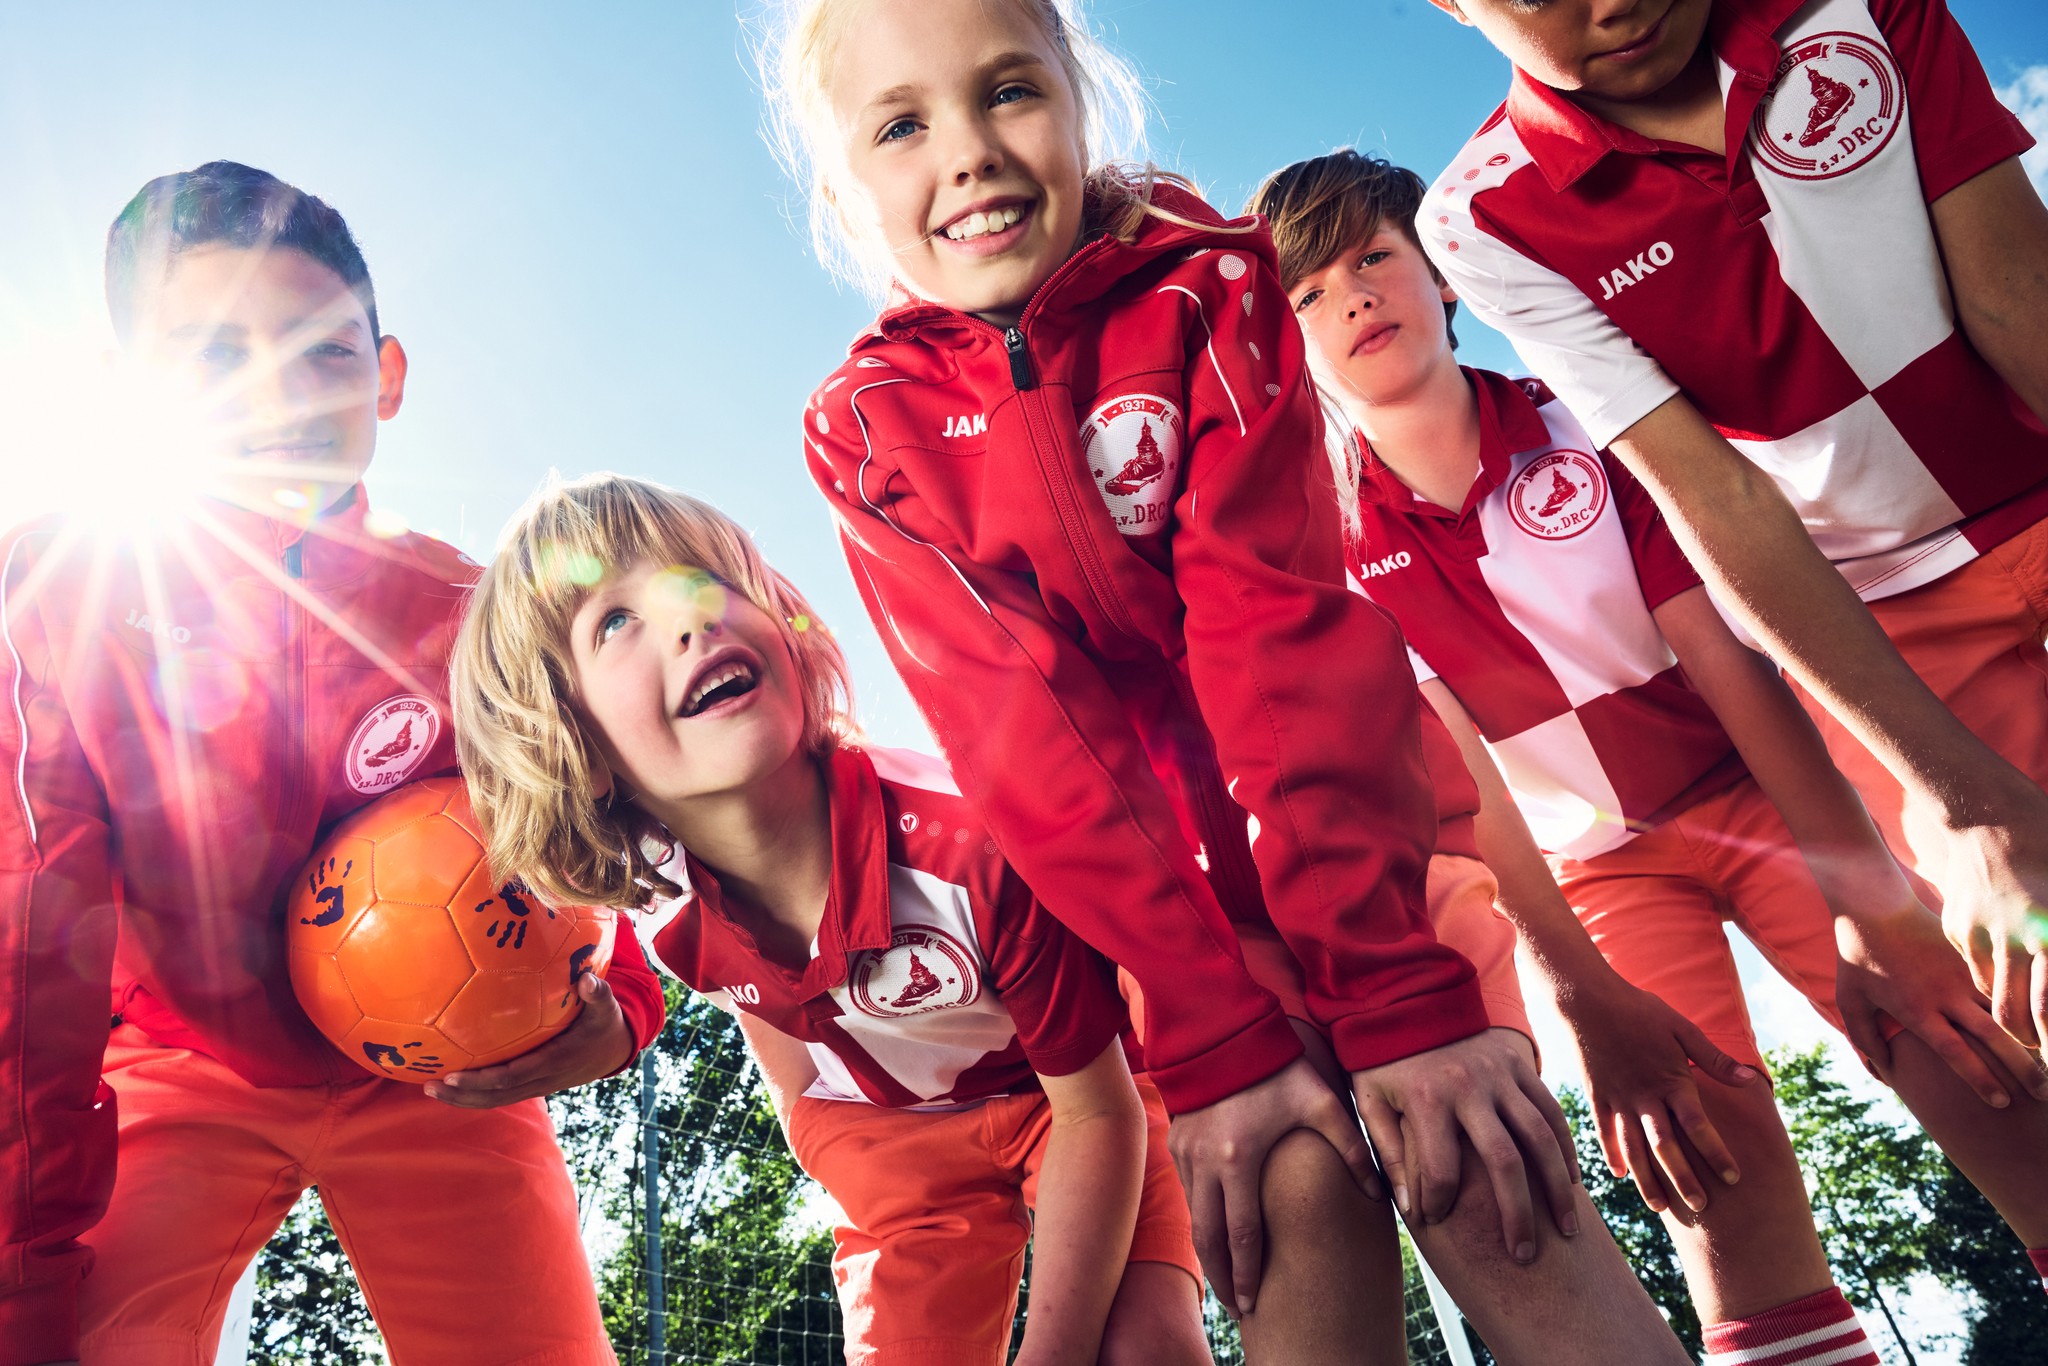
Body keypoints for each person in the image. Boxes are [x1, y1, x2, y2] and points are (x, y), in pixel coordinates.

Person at [765, 1, 1690, 1359]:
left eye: (1009, 90)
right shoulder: (865, 427)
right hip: (1176, 932)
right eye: (902, 124)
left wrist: (1398, 999)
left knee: (1480, 1177)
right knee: (1286, 1187)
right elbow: (1029, 743)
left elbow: (1277, 641)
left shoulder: (1214, 284)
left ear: (1081, 101)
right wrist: (1211, 1033)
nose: (967, 152)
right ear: (848, 188)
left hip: (1375, 860)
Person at [1251, 145, 2048, 1363]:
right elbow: (1458, 784)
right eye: (1306, 292)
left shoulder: (1583, 427)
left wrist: (1865, 899)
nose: (1350, 297)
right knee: (1704, 1164)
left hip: (1755, 794)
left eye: (1373, 259)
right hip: (1595, 876)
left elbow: (1732, 666)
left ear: (1442, 274)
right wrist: (1574, 985)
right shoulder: (1329, 544)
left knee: (1966, 1057)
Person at [0, 162, 666, 1366]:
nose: (273, 395)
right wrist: (18, 1276)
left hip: (445, 1069)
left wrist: (623, 1004)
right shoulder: (54, 597)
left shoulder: (476, 614)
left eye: (320, 352)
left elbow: (611, 828)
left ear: (388, 374)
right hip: (175, 1061)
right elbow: (22, 947)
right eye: (208, 356)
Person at [449, 471, 1214, 1366]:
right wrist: (824, 1132)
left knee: (1142, 1349)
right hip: (897, 1156)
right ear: (571, 739)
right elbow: (774, 1022)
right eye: (614, 622)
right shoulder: (670, 915)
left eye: (706, 580)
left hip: (1077, 1103)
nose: (693, 618)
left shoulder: (970, 841)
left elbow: (1098, 1116)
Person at [1417, 0, 2048, 1053]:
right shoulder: (1479, 216)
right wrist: (1951, 789)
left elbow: (2017, 295)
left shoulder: (1857, 9)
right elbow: (1721, 498)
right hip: (1882, 625)